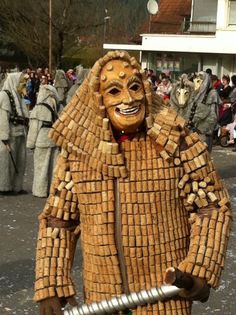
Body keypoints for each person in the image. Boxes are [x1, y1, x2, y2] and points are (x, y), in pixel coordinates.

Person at [34, 51, 231, 315]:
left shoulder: (177, 143)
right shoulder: (79, 155)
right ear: (99, 99)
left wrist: (201, 267)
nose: (129, 98)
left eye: (135, 86)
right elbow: (59, 221)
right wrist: (51, 284)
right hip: (103, 298)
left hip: (163, 297)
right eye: (115, 90)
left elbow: (212, 208)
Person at [26, 84, 61, 198]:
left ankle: (40, 190)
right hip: (53, 139)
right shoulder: (57, 106)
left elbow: (34, 128)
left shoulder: (39, 108)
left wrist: (30, 144)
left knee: (41, 167)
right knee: (52, 167)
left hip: (42, 140)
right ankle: (51, 189)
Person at [0, 72, 29, 194]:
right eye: (22, 82)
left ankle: (17, 186)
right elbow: (3, 117)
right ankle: (5, 187)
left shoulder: (19, 96)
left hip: (20, 133)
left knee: (20, 161)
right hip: (10, 134)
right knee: (7, 163)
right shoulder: (4, 95)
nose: (24, 85)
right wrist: (4, 136)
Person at [187, 71, 220, 152]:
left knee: (204, 155)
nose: (196, 84)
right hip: (193, 129)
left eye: (199, 81)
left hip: (205, 131)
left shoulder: (212, 93)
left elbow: (213, 115)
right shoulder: (197, 93)